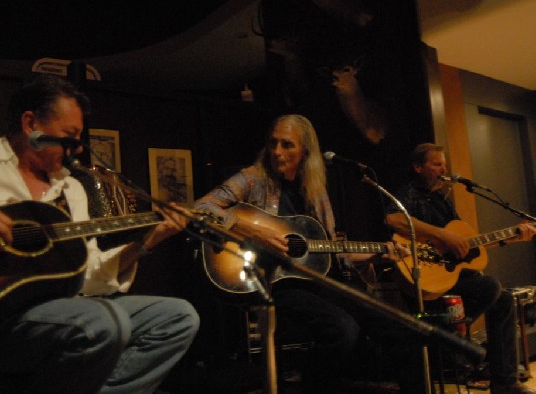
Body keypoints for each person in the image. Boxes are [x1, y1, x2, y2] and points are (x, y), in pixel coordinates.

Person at [0, 73, 199, 394]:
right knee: (101, 322)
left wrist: (148, 241)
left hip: (62, 311)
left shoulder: (71, 189)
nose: (76, 148)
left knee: (177, 318)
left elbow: (89, 277)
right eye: (69, 136)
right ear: (31, 124)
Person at [193, 114, 413, 393]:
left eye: (287, 145)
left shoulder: (315, 191)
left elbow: (333, 251)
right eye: (273, 143)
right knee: (342, 329)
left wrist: (378, 254)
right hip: (273, 280)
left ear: (306, 152)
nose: (277, 152)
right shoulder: (252, 178)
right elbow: (200, 208)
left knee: (392, 321)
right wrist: (251, 231)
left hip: (314, 279)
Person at [385, 142, 536, 394]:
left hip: (449, 278)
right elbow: (394, 219)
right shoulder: (408, 193)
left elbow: (466, 247)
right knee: (488, 285)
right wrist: (443, 236)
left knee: (504, 300)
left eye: (444, 164)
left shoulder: (441, 200)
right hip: (425, 280)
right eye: (436, 164)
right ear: (418, 167)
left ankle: (504, 382)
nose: (444, 169)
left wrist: (511, 236)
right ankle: (450, 341)